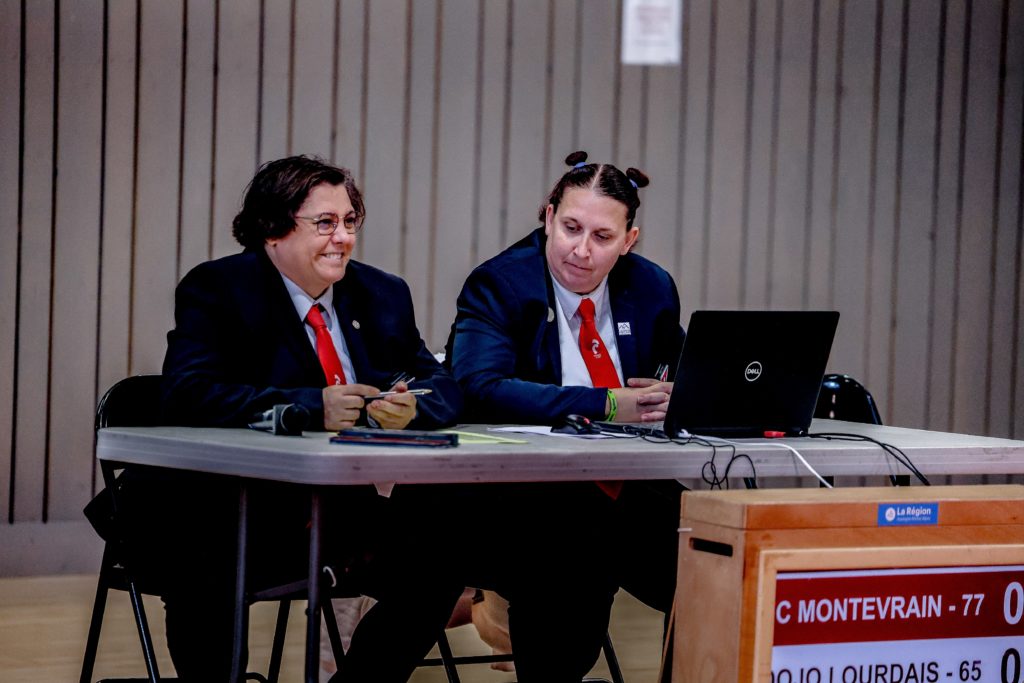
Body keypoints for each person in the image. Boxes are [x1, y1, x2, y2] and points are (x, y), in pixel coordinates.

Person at [118, 155, 464, 682]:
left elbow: (444, 383)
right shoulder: (219, 289)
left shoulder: (382, 293)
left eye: (349, 221)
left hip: (343, 507)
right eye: (325, 223)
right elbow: (187, 394)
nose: (343, 238)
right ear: (272, 228)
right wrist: (309, 408)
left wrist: (415, 406)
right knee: (206, 563)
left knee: (439, 560)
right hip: (228, 509)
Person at [446, 150, 686, 679]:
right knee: (570, 564)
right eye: (571, 228)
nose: (581, 250)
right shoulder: (501, 283)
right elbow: (478, 387)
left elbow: (684, 374)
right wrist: (607, 403)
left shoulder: (651, 287)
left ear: (629, 240)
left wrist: (680, 395)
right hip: (530, 496)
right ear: (548, 216)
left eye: (602, 237)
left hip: (633, 488)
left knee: (718, 563)